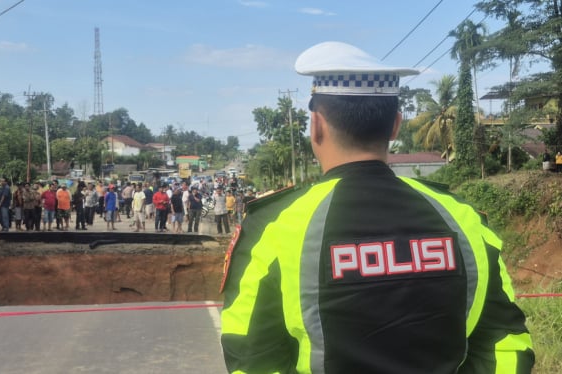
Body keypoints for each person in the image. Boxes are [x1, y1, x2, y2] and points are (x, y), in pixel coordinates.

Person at [220, 41, 534, 373]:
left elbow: (252, 358)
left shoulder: (275, 226)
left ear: (317, 126)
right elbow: (506, 345)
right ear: (396, 126)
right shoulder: (462, 219)